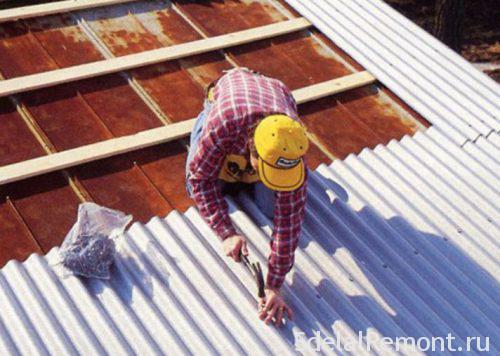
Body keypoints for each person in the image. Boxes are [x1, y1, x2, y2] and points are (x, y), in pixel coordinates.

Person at [185, 67, 309, 327]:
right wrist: (226, 232)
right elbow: (200, 180)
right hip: (227, 93)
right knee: (195, 181)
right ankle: (202, 122)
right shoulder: (224, 125)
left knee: (272, 207)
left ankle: (244, 174)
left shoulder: (292, 142)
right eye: (265, 169)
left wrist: (275, 285)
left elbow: (289, 221)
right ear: (252, 149)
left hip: (276, 91)